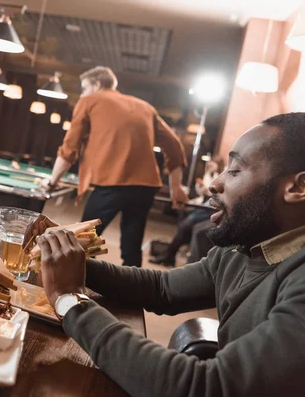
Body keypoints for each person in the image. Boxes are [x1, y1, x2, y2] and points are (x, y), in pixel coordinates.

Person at [29, 112, 305, 396]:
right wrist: (67, 260)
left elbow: (204, 387)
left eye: (234, 170)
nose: (215, 184)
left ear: (298, 187)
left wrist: (70, 301)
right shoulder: (245, 247)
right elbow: (163, 288)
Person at [42, 66, 188, 267]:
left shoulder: (89, 101)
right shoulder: (145, 106)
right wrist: (176, 188)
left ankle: (71, 287)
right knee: (132, 245)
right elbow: (174, 146)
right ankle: (131, 293)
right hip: (145, 185)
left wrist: (52, 181)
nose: (83, 93)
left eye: (84, 88)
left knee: (83, 240)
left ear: (97, 84)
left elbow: (69, 148)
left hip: (112, 182)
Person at [149, 155, 224, 266]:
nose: (211, 166)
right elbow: (202, 193)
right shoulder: (208, 174)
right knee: (182, 220)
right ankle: (169, 254)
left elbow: (216, 194)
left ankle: (169, 254)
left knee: (185, 226)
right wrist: (201, 187)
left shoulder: (221, 176)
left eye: (214, 164)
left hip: (209, 208)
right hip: (204, 204)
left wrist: (207, 188)